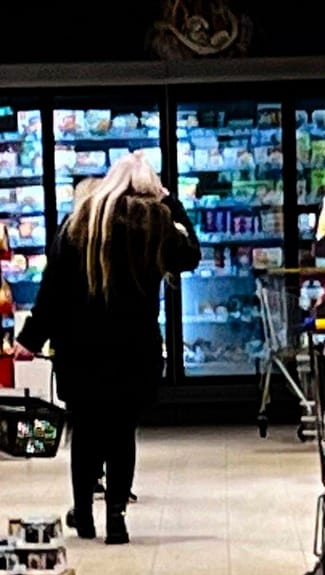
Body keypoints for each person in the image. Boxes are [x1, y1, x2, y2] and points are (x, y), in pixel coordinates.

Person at [16, 154, 199, 544]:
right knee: (121, 433)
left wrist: (30, 338)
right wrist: (170, 201)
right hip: (135, 350)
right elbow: (191, 254)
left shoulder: (77, 226)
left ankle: (83, 513)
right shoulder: (156, 224)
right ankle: (116, 517)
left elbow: (52, 293)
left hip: (79, 349)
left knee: (84, 432)